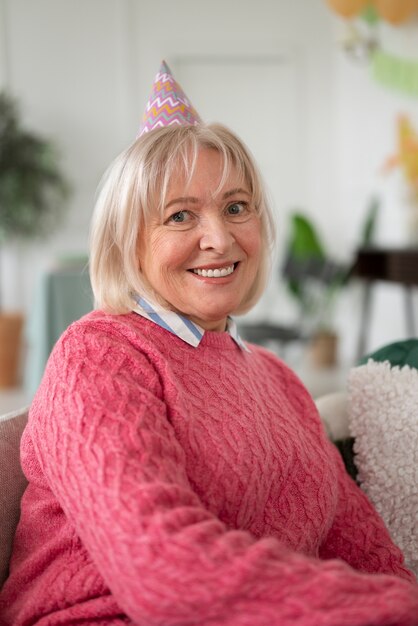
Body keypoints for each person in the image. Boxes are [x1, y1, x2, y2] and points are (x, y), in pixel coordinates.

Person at [0, 61, 417, 626]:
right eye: (179, 215)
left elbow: (364, 551)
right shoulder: (99, 356)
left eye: (236, 207)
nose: (219, 239)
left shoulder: (278, 379)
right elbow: (167, 574)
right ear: (128, 245)